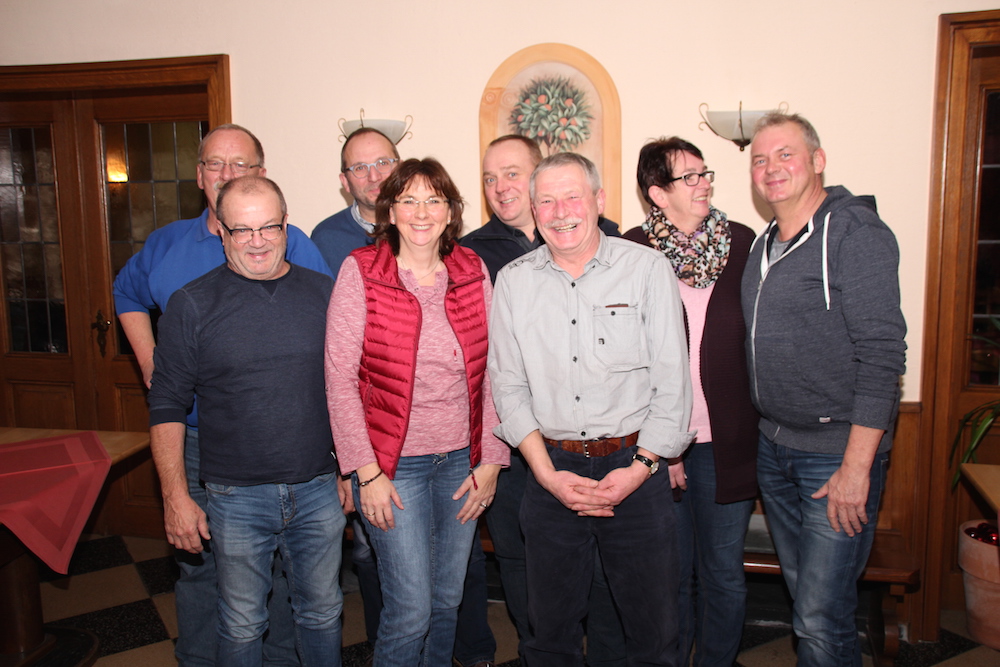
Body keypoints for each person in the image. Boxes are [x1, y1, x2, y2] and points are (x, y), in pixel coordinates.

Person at [112, 123, 331, 667]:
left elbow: (344, 380)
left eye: (268, 227)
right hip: (225, 478)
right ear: (223, 232)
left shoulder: (321, 283)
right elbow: (164, 400)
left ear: (285, 227)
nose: (257, 240)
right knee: (231, 607)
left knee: (316, 608)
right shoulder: (187, 293)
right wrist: (175, 495)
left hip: (313, 480)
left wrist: (353, 471)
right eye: (242, 230)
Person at [488, 152, 693, 666]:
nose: (560, 212)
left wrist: (639, 470)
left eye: (572, 197)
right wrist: (548, 476)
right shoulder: (513, 281)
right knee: (548, 637)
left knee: (653, 636)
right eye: (546, 201)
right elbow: (508, 387)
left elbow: (673, 383)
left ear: (599, 200)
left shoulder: (646, 268)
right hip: (550, 472)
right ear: (533, 210)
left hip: (637, 470)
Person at [325, 158, 510, 667]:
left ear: (451, 211)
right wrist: (366, 473)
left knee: (447, 600)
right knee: (410, 610)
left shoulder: (472, 270)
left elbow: (496, 370)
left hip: (462, 463)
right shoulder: (362, 271)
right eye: (409, 200)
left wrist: (492, 460)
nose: (422, 212)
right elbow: (339, 379)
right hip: (392, 466)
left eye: (434, 200)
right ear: (390, 211)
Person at [742, 112, 906, 666]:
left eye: (785, 154)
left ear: (818, 160)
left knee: (818, 618)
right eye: (759, 159)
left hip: (834, 459)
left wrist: (856, 469)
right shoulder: (765, 243)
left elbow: (883, 357)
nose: (771, 168)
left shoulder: (855, 233)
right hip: (775, 450)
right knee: (813, 610)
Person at [460, 134, 626, 666]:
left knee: (602, 565)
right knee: (519, 558)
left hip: (594, 440)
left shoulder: (609, 240)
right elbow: (479, 364)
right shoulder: (469, 255)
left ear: (538, 178)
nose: (500, 186)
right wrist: (490, 454)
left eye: (512, 173)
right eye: (489, 178)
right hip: (514, 443)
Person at [623, 137, 758, 667]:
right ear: (658, 193)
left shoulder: (742, 242)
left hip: (728, 441)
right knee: (669, 574)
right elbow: (629, 354)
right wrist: (663, 445)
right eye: (689, 177)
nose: (704, 184)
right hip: (657, 444)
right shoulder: (632, 250)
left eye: (705, 174)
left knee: (722, 572)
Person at [312, 127, 399, 280]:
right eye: (360, 168)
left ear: (401, 169)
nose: (374, 177)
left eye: (383, 163)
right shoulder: (325, 239)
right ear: (345, 182)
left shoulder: (424, 228)